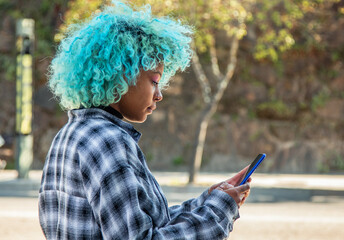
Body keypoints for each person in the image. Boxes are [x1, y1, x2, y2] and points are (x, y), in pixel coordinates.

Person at [38, 1, 251, 239]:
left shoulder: (71, 133)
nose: (159, 95)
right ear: (121, 74)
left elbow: (146, 222)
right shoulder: (109, 142)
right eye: (154, 80)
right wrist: (218, 211)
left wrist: (210, 201)